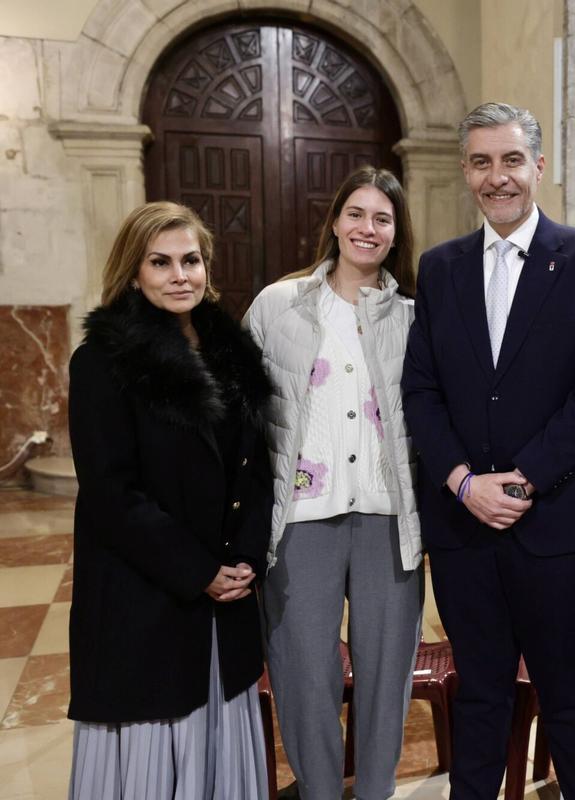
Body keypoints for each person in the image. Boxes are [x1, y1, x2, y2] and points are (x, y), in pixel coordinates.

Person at [401, 102, 575, 800]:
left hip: (554, 527)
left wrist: (524, 480)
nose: (496, 176)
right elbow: (421, 391)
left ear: (538, 166)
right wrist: (464, 482)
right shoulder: (439, 268)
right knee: (479, 700)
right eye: (481, 162)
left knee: (568, 702)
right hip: (464, 529)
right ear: (465, 171)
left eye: (511, 160)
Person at [67, 201, 272, 798]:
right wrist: (197, 571)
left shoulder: (230, 352)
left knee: (217, 726)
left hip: (225, 592)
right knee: (159, 733)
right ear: (134, 273)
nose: (181, 275)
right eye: (161, 263)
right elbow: (111, 493)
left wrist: (246, 559)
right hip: (146, 592)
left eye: (192, 260)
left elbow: (255, 467)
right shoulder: (104, 360)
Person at [245, 166, 425, 800]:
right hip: (300, 518)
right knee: (304, 672)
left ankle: (375, 791)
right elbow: (242, 413)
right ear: (336, 221)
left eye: (382, 217)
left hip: (388, 517)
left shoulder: (415, 318)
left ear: (396, 232)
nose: (367, 228)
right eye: (356, 213)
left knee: (385, 674)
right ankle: (319, 790)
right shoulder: (278, 305)